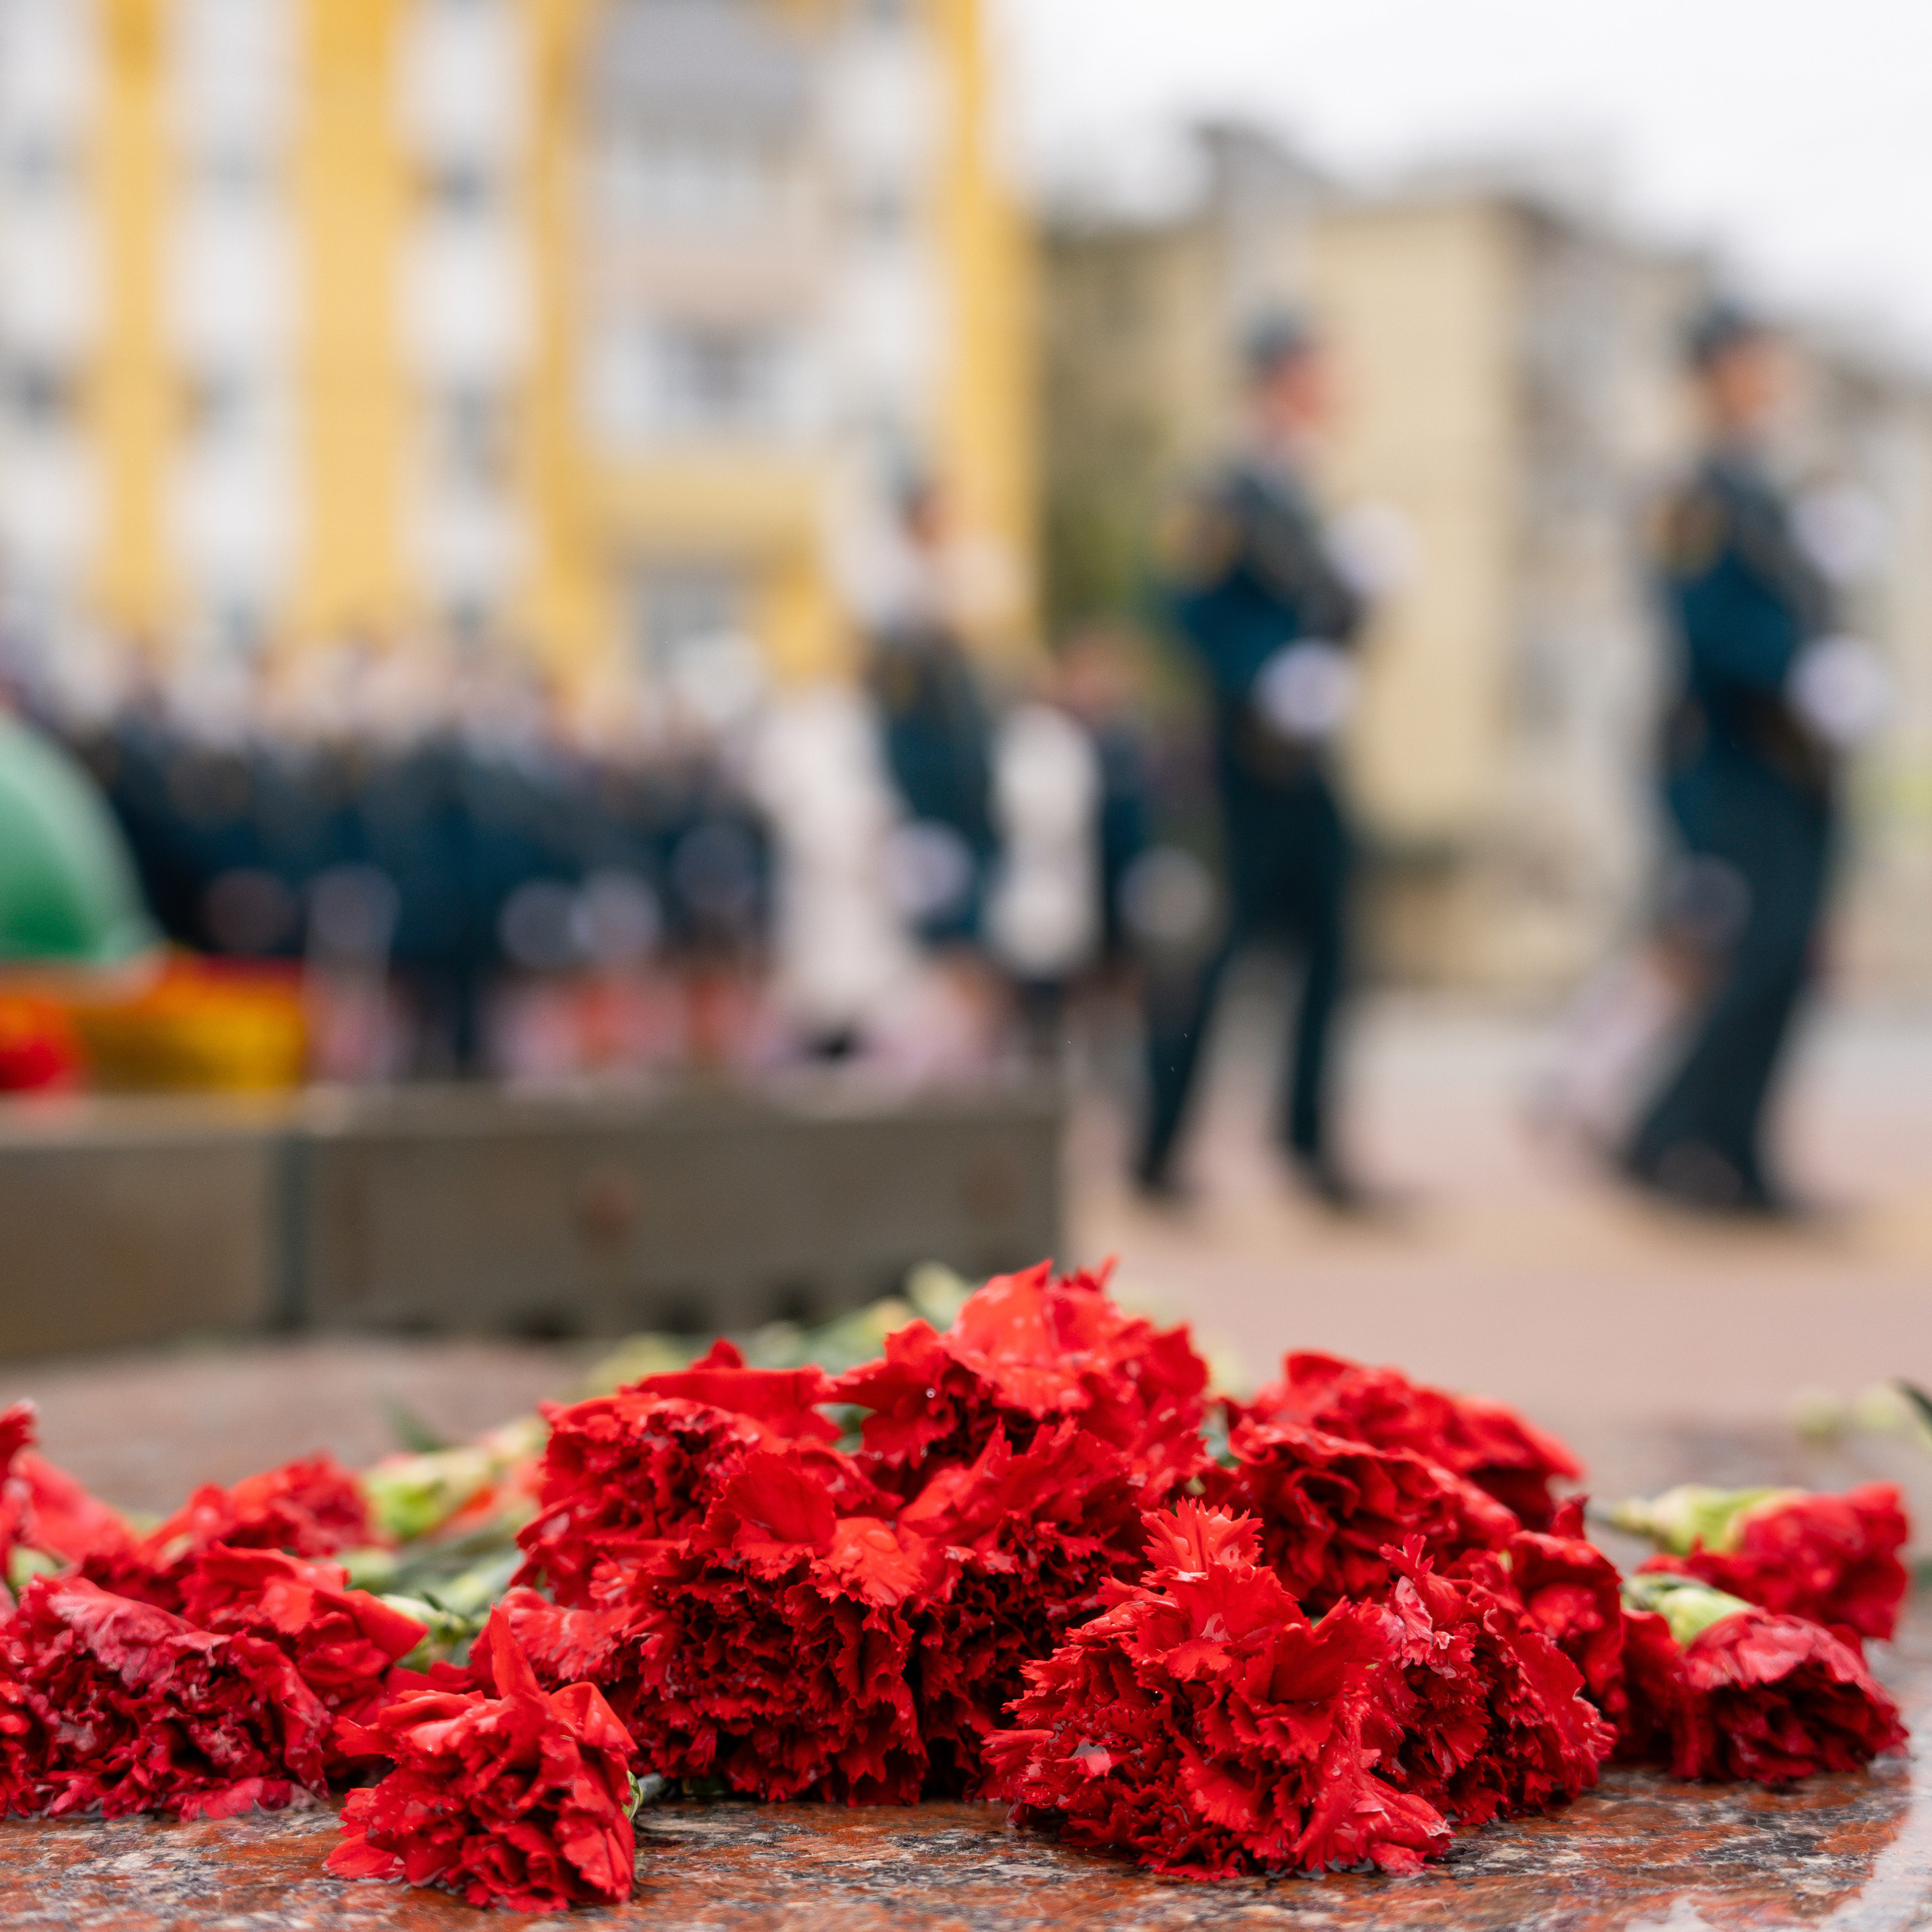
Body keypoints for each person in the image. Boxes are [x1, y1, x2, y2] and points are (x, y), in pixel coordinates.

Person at [1623, 302, 1887, 1215]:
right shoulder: (1694, 494)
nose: (1764, 375)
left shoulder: (1781, 494)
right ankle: (1664, 1135)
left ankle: (1738, 1154)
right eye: (1747, 359)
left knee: (1790, 958)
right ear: (1710, 373)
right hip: (1732, 756)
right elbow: (1702, 624)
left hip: (1799, 764)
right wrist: (1795, 669)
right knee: (1755, 950)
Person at [1135, 313, 1378, 1211]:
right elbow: (1183, 607)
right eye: (1316, 372)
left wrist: (1362, 600)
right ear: (1275, 380)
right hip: (1233, 766)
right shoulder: (1223, 493)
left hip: (1306, 764)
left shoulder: (1308, 500)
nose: (1331, 390)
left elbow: (1325, 629)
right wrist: (1262, 673)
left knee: (1333, 948)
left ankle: (1309, 1143)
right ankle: (1158, 1148)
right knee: (1208, 956)